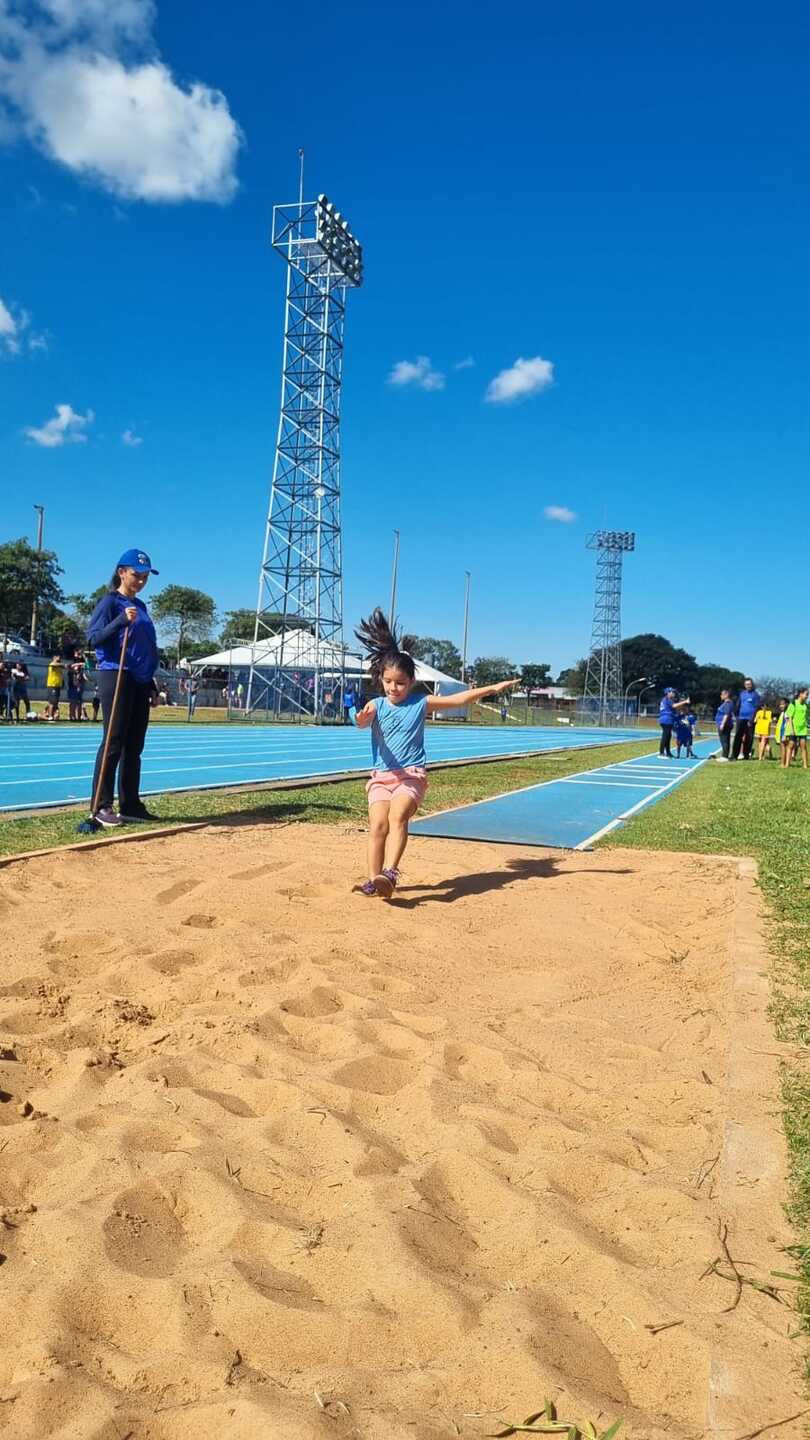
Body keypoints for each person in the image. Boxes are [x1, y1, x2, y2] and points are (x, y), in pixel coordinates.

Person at [352, 608, 519, 897]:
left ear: (411, 682)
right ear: (381, 678)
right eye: (389, 682)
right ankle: (374, 879)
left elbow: (459, 699)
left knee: (398, 817)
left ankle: (390, 872)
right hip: (381, 777)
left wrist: (493, 688)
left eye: (401, 683)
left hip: (411, 776)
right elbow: (362, 720)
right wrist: (361, 719)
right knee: (377, 825)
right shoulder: (377, 705)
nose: (394, 687)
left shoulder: (421, 703)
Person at [86, 548, 161, 827]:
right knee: (114, 741)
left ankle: (130, 803)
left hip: (140, 680)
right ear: (121, 572)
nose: (141, 581)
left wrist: (151, 682)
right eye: (136, 575)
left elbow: (143, 648)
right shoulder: (109, 603)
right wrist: (120, 621)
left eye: (145, 576)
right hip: (115, 675)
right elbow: (93, 639)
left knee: (134, 745)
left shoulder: (141, 606)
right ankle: (101, 805)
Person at [730, 678, 761, 761]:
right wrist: (736, 715)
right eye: (746, 684)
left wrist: (752, 719)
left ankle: (746, 755)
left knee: (749, 738)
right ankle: (734, 755)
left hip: (750, 719)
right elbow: (738, 705)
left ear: (752, 685)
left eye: (749, 684)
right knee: (738, 736)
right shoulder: (742, 694)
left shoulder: (756, 695)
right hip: (741, 718)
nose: (748, 686)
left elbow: (757, 707)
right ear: (744, 685)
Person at [658, 687, 690, 757]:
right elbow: (674, 706)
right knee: (665, 736)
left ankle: (668, 752)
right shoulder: (667, 699)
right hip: (666, 719)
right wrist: (685, 701)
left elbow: (672, 709)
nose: (673, 693)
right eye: (672, 692)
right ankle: (661, 753)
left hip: (667, 719)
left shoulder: (667, 700)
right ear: (668, 693)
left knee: (668, 736)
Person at [785, 688, 809, 771]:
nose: (807, 696)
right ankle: (787, 764)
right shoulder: (793, 704)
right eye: (806, 694)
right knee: (791, 745)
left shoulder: (805, 705)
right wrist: (792, 729)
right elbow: (789, 717)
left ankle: (805, 765)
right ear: (800, 694)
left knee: (803, 746)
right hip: (794, 729)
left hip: (802, 729)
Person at [714, 689, 735, 761]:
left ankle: (725, 756)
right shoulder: (725, 703)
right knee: (724, 740)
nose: (721, 696)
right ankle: (724, 755)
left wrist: (722, 724)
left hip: (725, 725)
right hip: (722, 724)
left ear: (726, 695)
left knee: (724, 740)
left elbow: (726, 714)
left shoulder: (728, 703)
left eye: (722, 694)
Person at [67, 654, 86, 722]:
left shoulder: (80, 671)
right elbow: (70, 666)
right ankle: (72, 716)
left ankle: (78, 717)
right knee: (73, 703)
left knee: (79, 703)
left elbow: (85, 664)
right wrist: (77, 664)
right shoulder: (71, 670)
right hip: (72, 688)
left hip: (79, 688)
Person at [45, 654, 64, 720]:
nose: (59, 658)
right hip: (52, 685)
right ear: (54, 657)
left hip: (57, 686)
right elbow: (54, 664)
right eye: (58, 657)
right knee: (52, 702)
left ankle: (51, 714)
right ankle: (50, 716)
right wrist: (63, 665)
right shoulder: (52, 664)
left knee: (56, 702)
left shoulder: (59, 666)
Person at [775, 698, 791, 768]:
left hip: (785, 733)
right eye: (780, 704)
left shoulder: (787, 713)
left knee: (784, 748)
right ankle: (783, 763)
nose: (780, 706)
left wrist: (785, 734)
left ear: (787, 704)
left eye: (782, 704)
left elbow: (788, 723)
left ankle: (783, 764)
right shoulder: (782, 713)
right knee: (782, 748)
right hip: (781, 732)